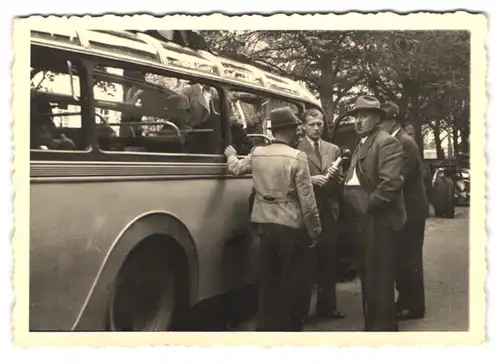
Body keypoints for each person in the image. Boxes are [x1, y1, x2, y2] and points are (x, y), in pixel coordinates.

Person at [224, 106, 322, 331]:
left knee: (268, 279)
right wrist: (314, 229)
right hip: (290, 225)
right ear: (290, 130)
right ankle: (289, 326)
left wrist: (230, 154)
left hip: (263, 223)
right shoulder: (298, 157)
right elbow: (307, 199)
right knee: (292, 278)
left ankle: (267, 326)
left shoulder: (258, 152)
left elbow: (236, 168)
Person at [342, 95, 406, 331]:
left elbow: (391, 184)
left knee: (378, 278)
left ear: (377, 118)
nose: (358, 121)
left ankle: (381, 330)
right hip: (365, 220)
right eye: (357, 116)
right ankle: (374, 327)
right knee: (370, 276)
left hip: (378, 220)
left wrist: (367, 205)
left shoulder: (386, 142)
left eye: (364, 116)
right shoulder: (364, 142)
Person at [380, 102, 429, 321]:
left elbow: (402, 177)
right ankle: (405, 302)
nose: (380, 126)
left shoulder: (404, 143)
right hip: (407, 209)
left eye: (382, 121)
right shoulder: (398, 141)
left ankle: (414, 307)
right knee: (403, 258)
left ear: (393, 121)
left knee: (410, 259)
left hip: (412, 210)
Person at [297, 108, 345, 320]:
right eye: (313, 125)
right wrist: (312, 180)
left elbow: (341, 182)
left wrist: (335, 178)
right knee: (305, 261)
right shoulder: (296, 149)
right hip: (306, 210)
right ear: (304, 127)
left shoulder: (333, 149)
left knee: (328, 261)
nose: (317, 128)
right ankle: (302, 310)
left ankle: (328, 307)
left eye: (320, 125)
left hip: (328, 211)